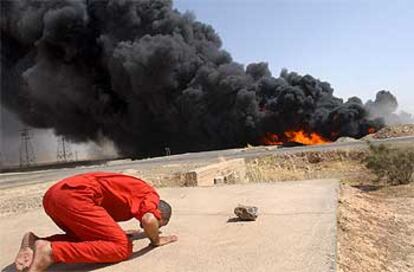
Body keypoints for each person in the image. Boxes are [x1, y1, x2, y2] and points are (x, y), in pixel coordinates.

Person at [14, 172, 177, 272]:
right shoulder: (151, 196)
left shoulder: (136, 196)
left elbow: (99, 217)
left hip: (54, 196)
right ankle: (49, 252)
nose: (154, 227)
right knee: (121, 248)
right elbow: (148, 221)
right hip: (76, 196)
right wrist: (155, 240)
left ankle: (35, 242)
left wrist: (117, 232)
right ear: (160, 215)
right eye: (159, 225)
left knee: (93, 241)